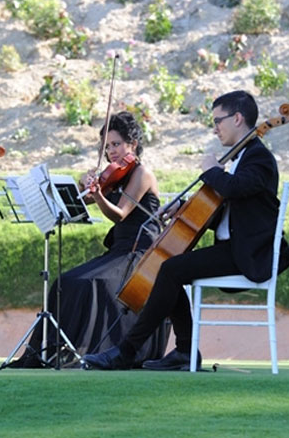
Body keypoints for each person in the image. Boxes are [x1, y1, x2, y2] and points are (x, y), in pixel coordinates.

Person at [83, 90, 289, 371]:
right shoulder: (240, 159)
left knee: (170, 269)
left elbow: (235, 188)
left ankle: (129, 351)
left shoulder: (258, 158)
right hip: (233, 248)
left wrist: (211, 170)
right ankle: (182, 350)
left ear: (238, 118)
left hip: (250, 253)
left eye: (218, 120)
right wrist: (183, 207)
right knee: (171, 268)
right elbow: (232, 212)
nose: (215, 128)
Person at [10, 111, 169, 368]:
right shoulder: (116, 175)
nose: (111, 152)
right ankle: (55, 351)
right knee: (65, 282)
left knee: (90, 282)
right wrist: (83, 185)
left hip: (141, 253)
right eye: (106, 147)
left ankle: (104, 349)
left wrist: (98, 195)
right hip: (120, 250)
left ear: (133, 144)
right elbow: (78, 202)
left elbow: (120, 215)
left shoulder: (142, 174)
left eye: (116, 144)